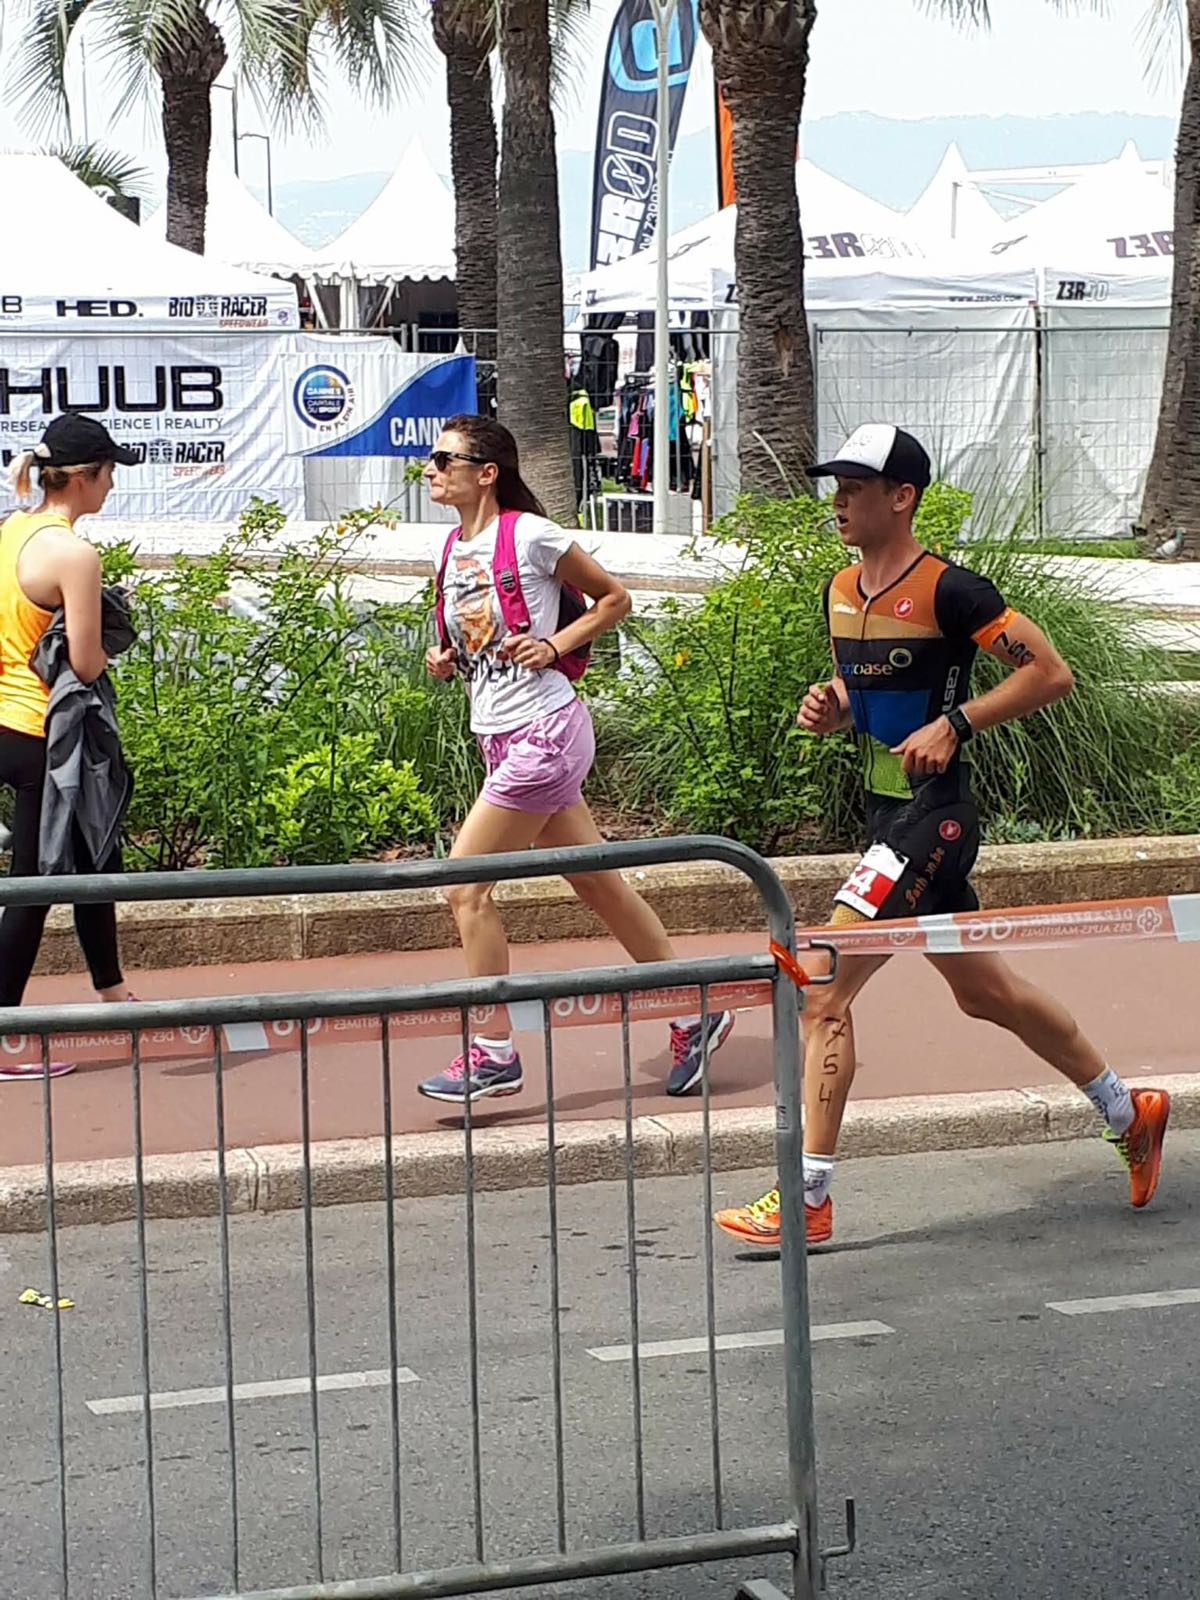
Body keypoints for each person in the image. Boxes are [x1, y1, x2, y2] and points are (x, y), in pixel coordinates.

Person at [714, 424, 1170, 1249]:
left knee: (822, 989)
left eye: (857, 486)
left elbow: (1051, 672)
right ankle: (1126, 1109)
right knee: (983, 994)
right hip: (885, 817)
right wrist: (834, 708)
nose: (840, 500)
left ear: (902, 497)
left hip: (935, 821)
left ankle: (808, 1197)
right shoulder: (839, 590)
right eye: (837, 485)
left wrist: (957, 723)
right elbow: (871, 696)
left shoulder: (952, 590)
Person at [418, 414, 733, 1103]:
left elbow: (614, 599)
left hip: (544, 732)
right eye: (431, 458)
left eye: (444, 458)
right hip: (500, 733)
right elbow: (480, 639)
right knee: (598, 884)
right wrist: (448, 659)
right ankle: (694, 1011)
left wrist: (557, 646)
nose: (430, 468)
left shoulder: (531, 534)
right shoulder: (450, 548)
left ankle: (494, 1051)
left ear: (487, 471)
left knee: (464, 888)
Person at [0, 414, 140, 1080]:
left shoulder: (12, 529)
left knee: (94, 846)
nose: (112, 486)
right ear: (85, 479)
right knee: (35, 885)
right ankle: (2, 1029)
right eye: (109, 474)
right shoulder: (75, 554)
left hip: (4, 720)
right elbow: (84, 665)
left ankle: (111, 990)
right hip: (40, 734)